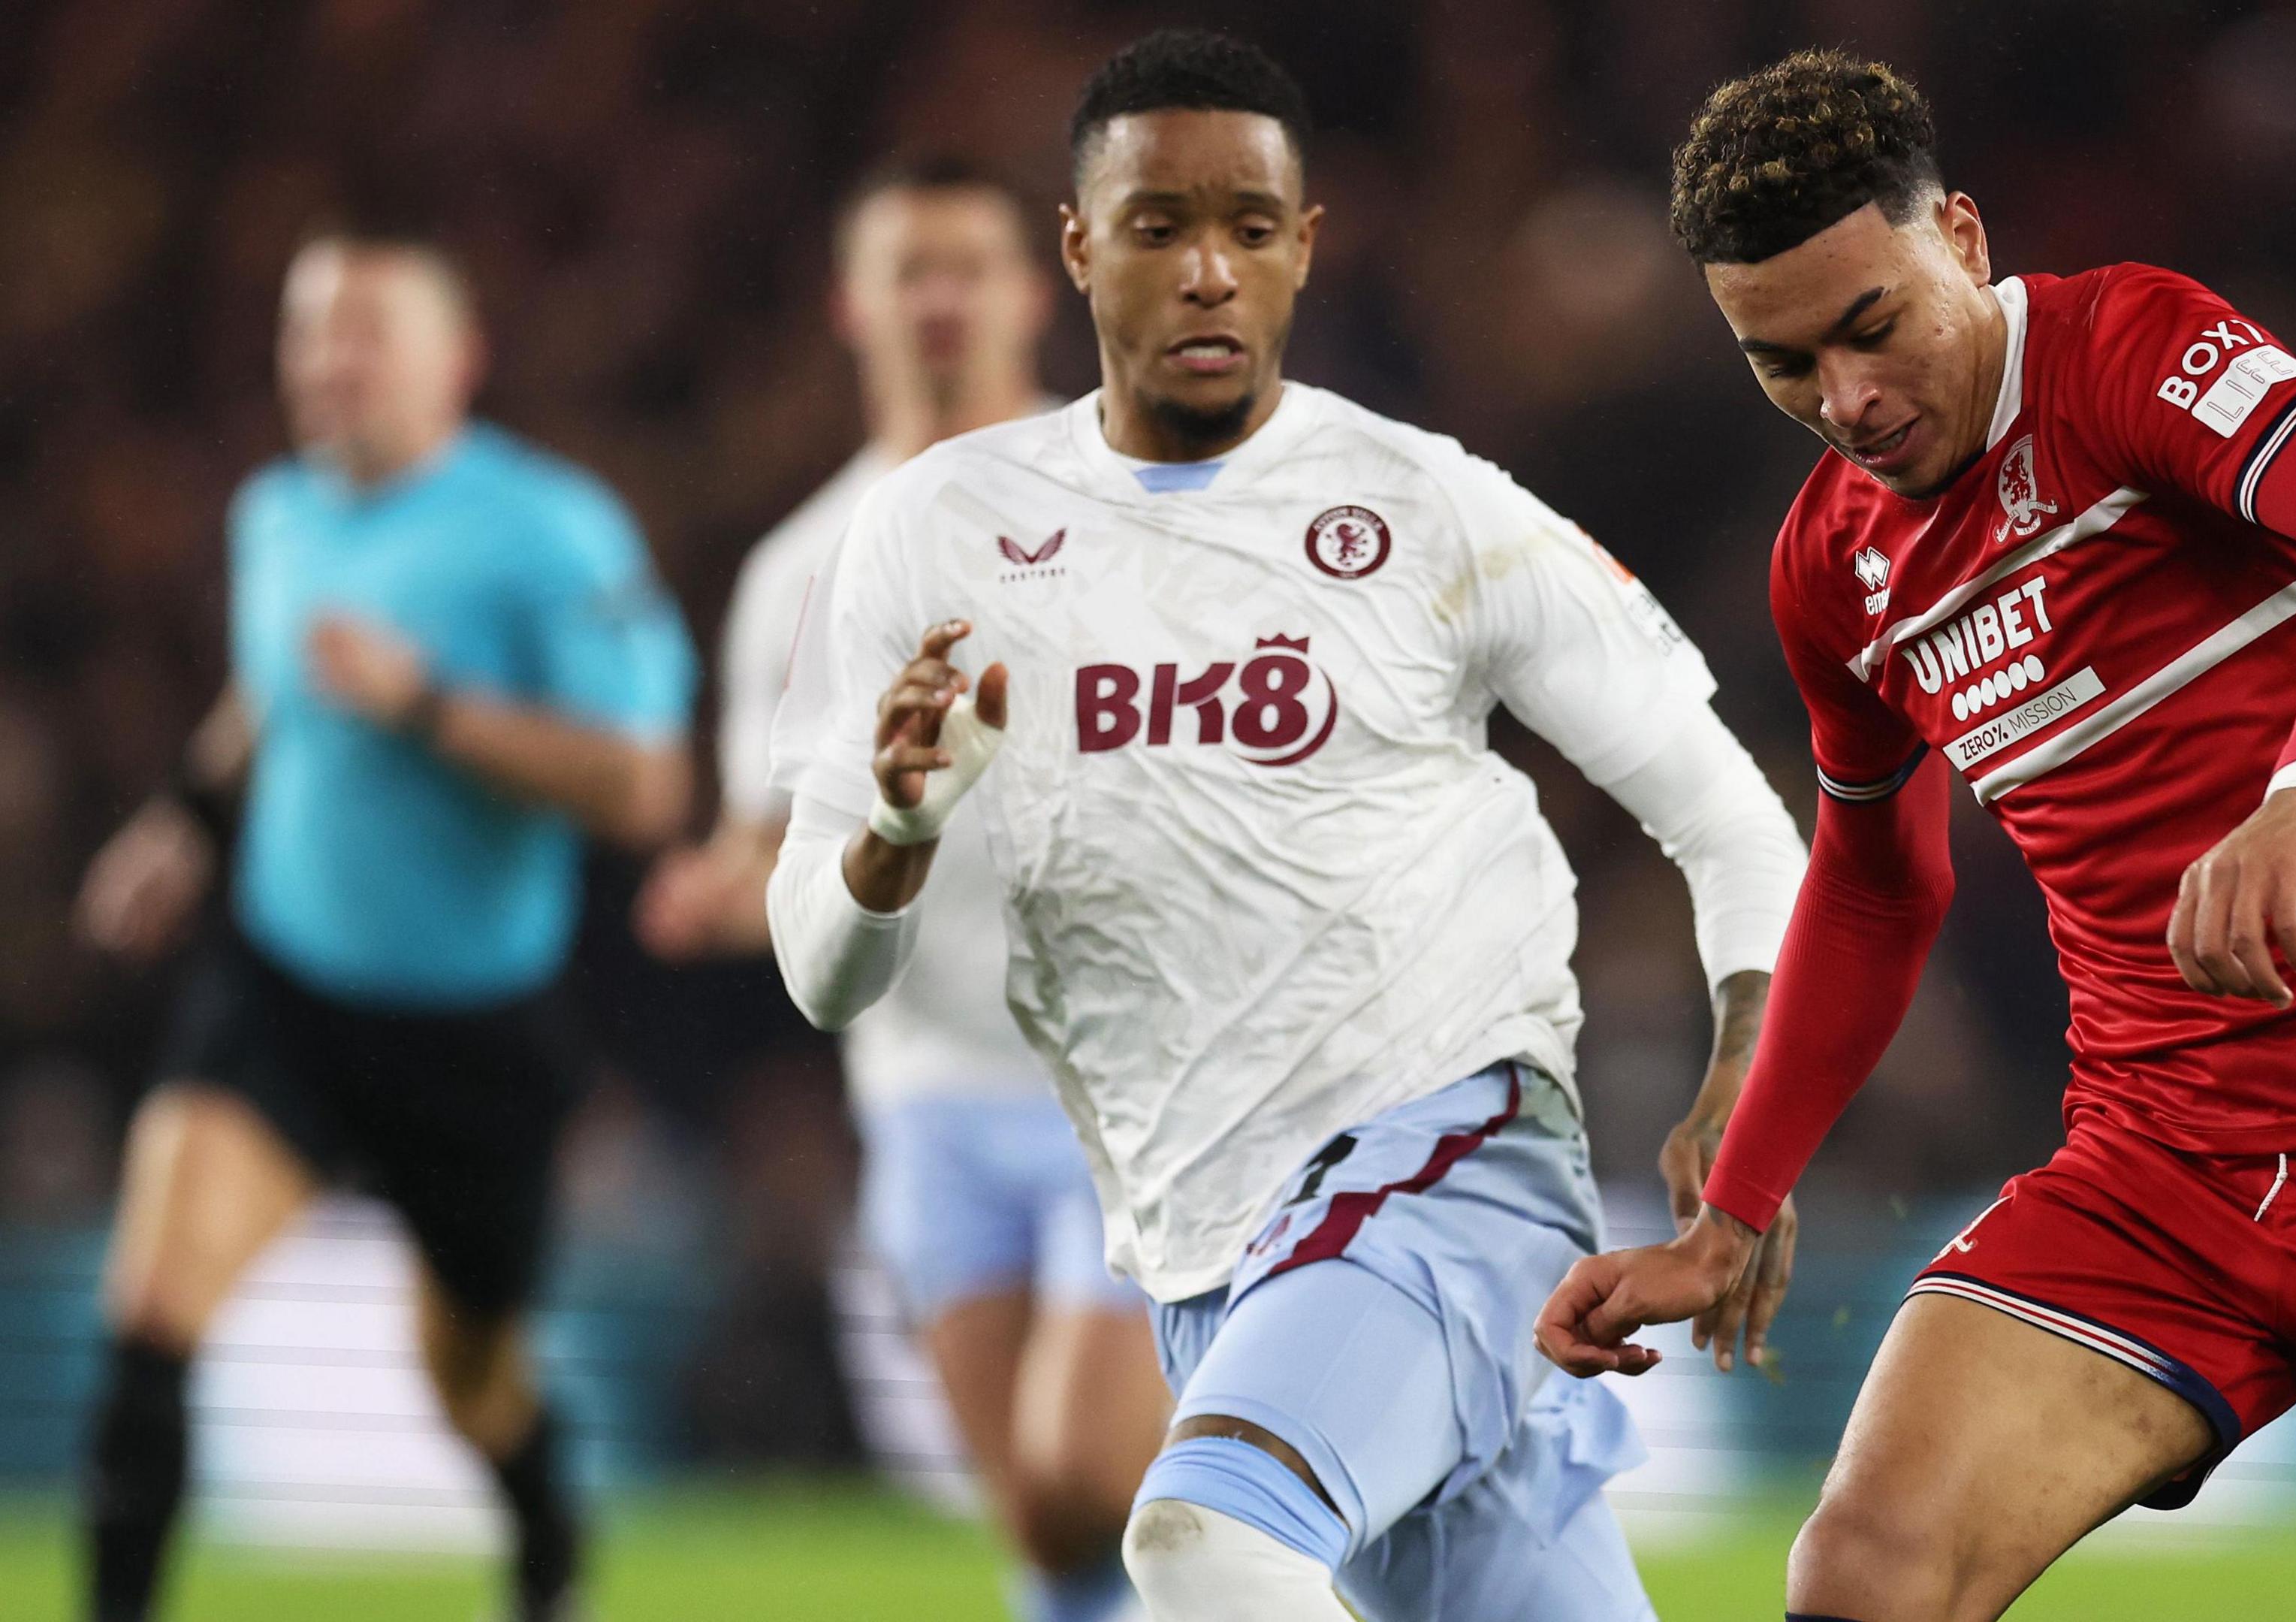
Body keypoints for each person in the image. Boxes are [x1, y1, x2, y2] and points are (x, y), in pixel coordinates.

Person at [1536, 49, 2296, 1622]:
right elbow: (1875, 884)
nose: (1846, 402)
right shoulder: (1834, 568)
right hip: (2166, 1172)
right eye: (1781, 363)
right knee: (1864, 1571)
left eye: (1873, 326)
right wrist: (1734, 1212)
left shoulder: (2125, 351)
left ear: (1966, 243)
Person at [765, 29, 1809, 1622]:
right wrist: (895, 832)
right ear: (1078, 246)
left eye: (1249, 228)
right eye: (1158, 226)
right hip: (1204, 1250)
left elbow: (1733, 817)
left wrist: (1750, 1082)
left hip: (1440, 1164)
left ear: (1304, 248)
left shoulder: (1428, 505)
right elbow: (819, 973)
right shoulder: (938, 534)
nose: (1205, 271)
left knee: (1206, 1540)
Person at [71, 228, 696, 1622]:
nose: (325, 365)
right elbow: (269, 697)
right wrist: (186, 817)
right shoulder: (275, 515)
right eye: (308, 334)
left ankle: (543, 1530)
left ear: (455, 362)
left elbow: (648, 785)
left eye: (364, 335)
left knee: (466, 1378)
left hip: (472, 1033)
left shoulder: (550, 531)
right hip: (282, 991)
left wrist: (430, 708)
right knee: (149, 1323)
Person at [632, 154, 1170, 1622]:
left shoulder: (1135, 512)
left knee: (1084, 1476)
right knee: (1047, 1540)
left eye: (964, 268)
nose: (937, 300)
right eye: (904, 270)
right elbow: (777, 841)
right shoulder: (800, 570)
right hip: (926, 1098)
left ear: (1028, 291)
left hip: (1126, 1087)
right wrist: (724, 894)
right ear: (851, 305)